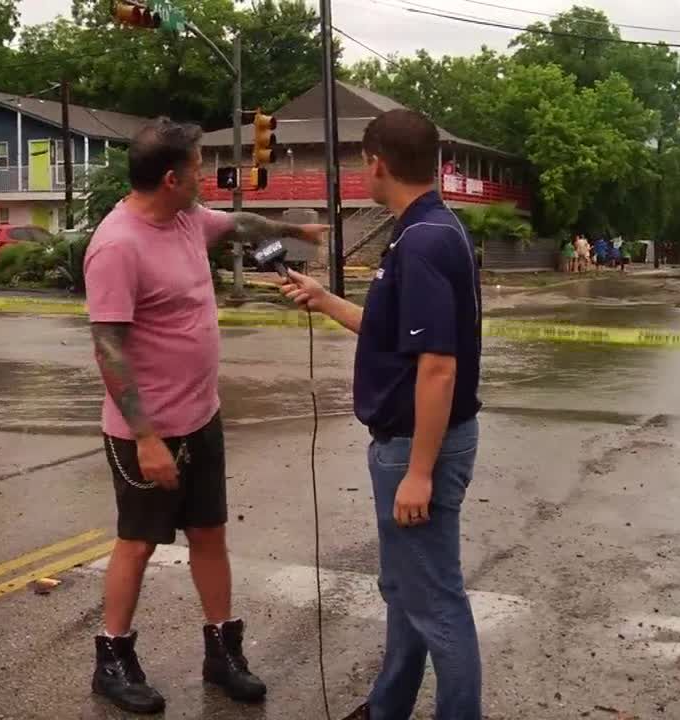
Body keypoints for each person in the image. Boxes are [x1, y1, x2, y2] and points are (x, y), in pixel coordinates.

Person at [83, 117, 326, 715]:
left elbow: (239, 223)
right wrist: (145, 438)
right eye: (196, 166)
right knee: (138, 543)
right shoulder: (117, 245)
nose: (204, 176)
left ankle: (223, 653)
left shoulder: (187, 218)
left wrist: (296, 230)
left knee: (210, 535)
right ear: (171, 177)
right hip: (147, 432)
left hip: (201, 417)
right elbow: (108, 347)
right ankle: (112, 659)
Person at [279, 109, 484, 720]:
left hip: (419, 445)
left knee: (436, 600)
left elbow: (439, 366)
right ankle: (387, 706)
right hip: (414, 441)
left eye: (358, 161)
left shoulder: (422, 242)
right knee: (405, 590)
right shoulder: (430, 228)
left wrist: (419, 471)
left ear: (377, 163)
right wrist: (325, 300)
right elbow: (398, 337)